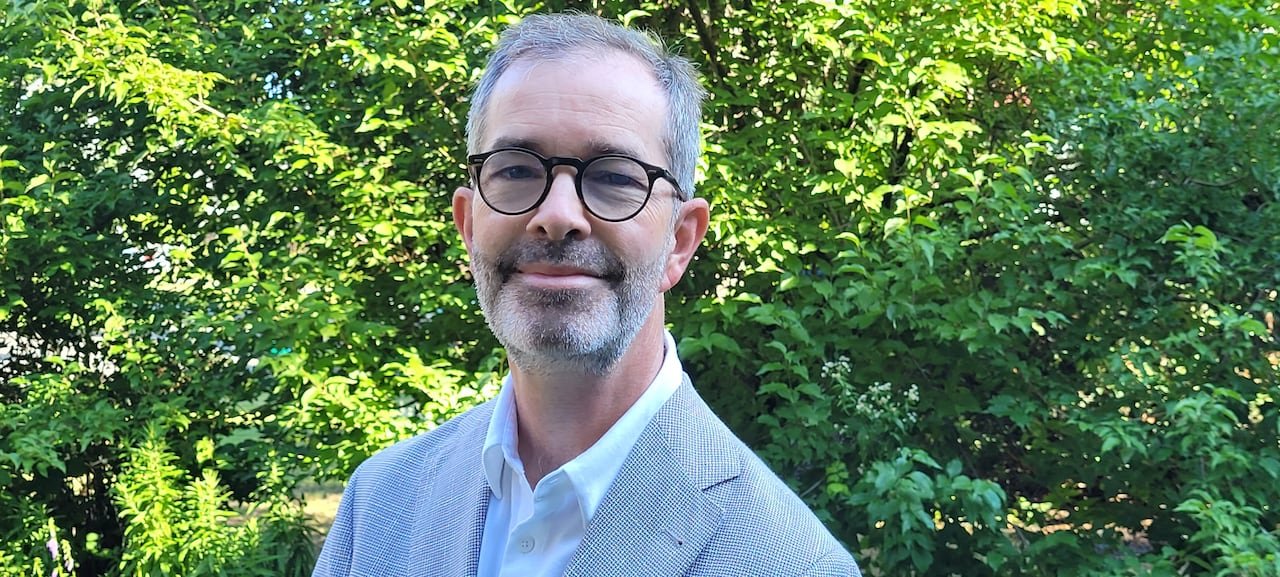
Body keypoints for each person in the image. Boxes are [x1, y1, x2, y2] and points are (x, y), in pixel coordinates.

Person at [312, 12, 861, 577]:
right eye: (516, 170)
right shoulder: (378, 504)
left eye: (615, 176)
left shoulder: (794, 562)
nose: (557, 215)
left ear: (679, 242)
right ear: (469, 224)